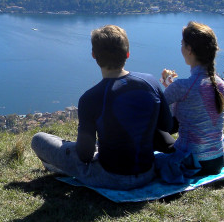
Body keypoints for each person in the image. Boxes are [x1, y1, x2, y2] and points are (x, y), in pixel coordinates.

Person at [31, 25, 173, 190]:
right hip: (147, 173)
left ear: (94, 55)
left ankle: (59, 169)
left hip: (109, 177)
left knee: (39, 139)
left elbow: (85, 155)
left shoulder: (90, 98)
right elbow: (167, 126)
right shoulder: (151, 82)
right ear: (127, 54)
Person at [156, 21, 224, 176]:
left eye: (182, 44)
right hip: (216, 162)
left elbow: (158, 114)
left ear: (189, 50)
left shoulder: (182, 86)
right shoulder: (220, 84)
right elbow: (194, 101)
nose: (181, 48)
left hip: (190, 161)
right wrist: (170, 87)